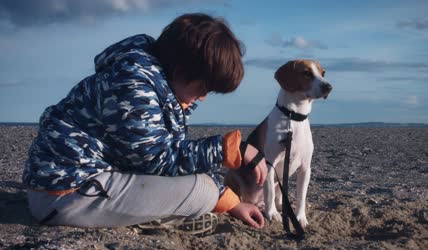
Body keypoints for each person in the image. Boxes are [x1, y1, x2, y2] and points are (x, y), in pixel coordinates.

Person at [22, 13, 267, 234]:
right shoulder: (133, 85)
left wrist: (231, 202)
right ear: (181, 70)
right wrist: (231, 150)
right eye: (203, 87)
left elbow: (167, 158)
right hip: (65, 196)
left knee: (205, 188)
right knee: (203, 192)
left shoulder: (153, 81)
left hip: (78, 185)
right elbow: (156, 160)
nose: (202, 97)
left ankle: (160, 212)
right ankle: (158, 218)